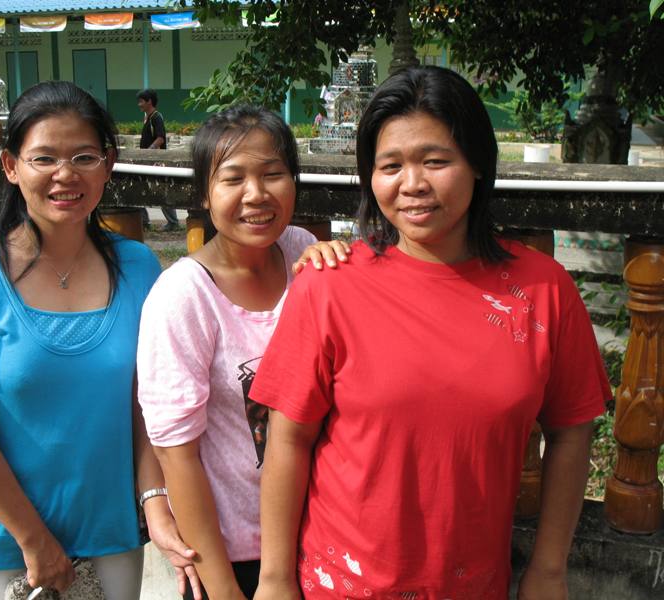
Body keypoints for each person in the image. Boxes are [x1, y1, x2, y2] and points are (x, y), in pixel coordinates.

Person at [251, 66, 611, 600]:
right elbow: (288, 439)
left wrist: (549, 570)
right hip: (341, 583)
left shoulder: (541, 290)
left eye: (435, 161)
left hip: (474, 583)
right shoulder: (329, 286)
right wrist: (275, 581)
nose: (412, 184)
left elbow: (572, 431)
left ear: (478, 167)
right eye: (390, 165)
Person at [0, 80, 195, 599]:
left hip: (110, 534)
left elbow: (145, 406)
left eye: (84, 157)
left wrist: (154, 500)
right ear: (11, 166)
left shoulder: (137, 267)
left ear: (109, 165)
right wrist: (35, 540)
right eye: (44, 158)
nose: (65, 175)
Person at [136, 104, 348, 600]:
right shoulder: (184, 296)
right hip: (234, 553)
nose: (256, 194)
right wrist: (224, 589)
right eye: (233, 179)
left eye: (273, 174)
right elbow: (176, 455)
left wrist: (332, 265)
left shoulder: (303, 253)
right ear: (206, 197)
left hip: (320, 537)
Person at [137, 88, 180, 231]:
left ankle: (173, 222)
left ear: (149, 101)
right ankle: (143, 221)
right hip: (148, 161)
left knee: (161, 191)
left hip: (156, 161)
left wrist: (148, 153)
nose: (139, 104)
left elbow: (160, 138)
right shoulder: (148, 118)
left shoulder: (156, 117)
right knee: (140, 188)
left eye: (141, 101)